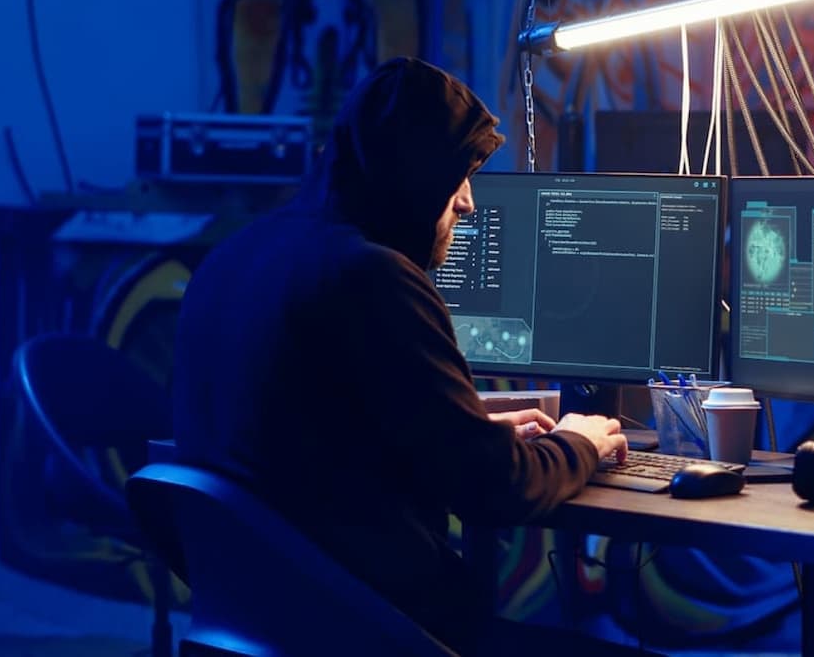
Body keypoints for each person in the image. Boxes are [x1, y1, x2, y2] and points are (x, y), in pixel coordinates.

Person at [172, 57, 629, 654]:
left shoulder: (236, 256)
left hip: (259, 624)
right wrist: (578, 443)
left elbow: (304, 436)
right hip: (374, 628)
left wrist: (463, 430)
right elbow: (496, 489)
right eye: (456, 175)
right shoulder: (371, 277)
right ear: (415, 177)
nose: (467, 203)